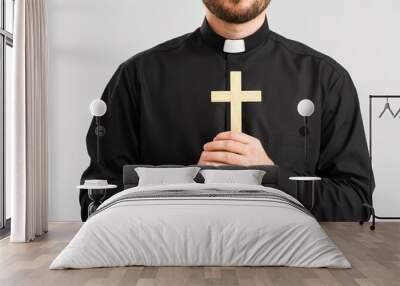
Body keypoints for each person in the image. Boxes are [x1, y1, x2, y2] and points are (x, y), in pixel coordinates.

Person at [80, 0, 374, 222]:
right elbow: (94, 202)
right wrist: (187, 183)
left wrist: (273, 178)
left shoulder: (325, 79)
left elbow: (357, 204)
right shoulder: (137, 77)